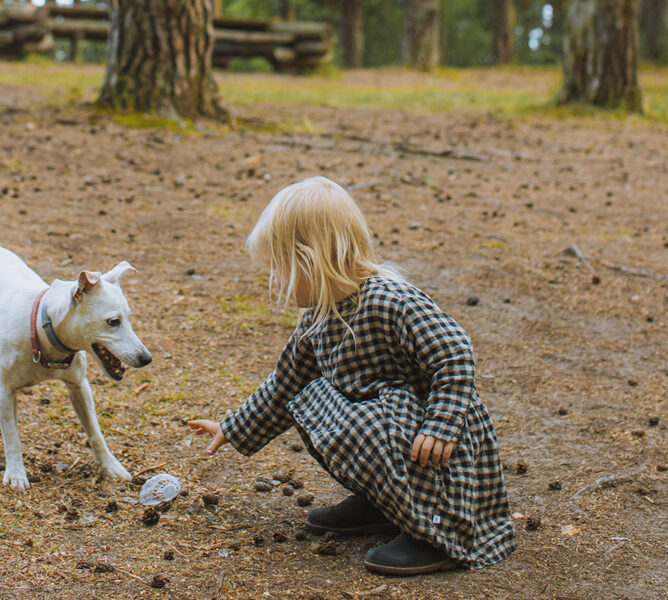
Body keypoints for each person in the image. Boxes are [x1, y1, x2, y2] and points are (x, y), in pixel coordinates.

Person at [188, 176, 516, 575]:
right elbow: (285, 383)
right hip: (394, 431)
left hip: (437, 446)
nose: (273, 281)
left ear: (311, 257)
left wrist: (442, 424)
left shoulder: (390, 298)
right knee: (311, 396)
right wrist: (233, 427)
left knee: (352, 418)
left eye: (279, 267)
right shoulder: (321, 316)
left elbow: (454, 353)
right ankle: (383, 503)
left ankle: (437, 533)